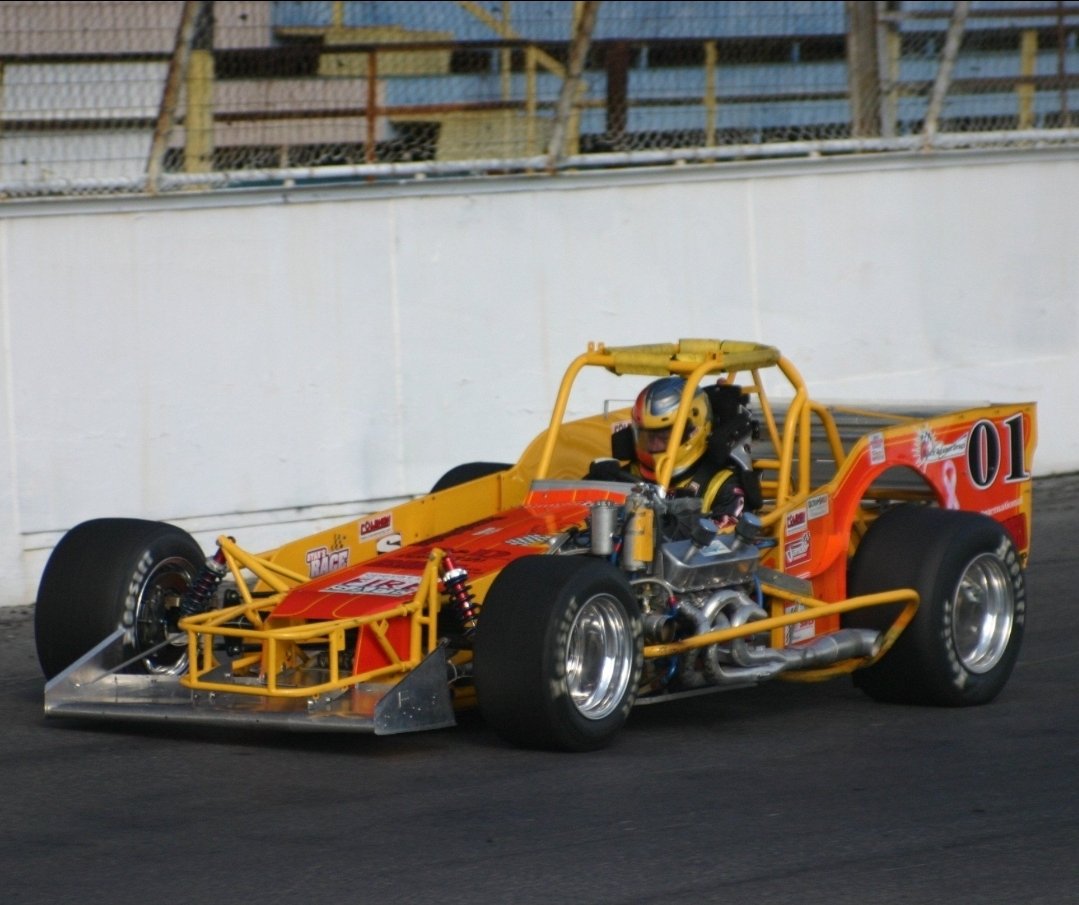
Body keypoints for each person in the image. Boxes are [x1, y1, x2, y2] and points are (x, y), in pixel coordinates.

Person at [590, 375, 762, 528]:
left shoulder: (723, 485)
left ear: (694, 430)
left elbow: (722, 546)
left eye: (664, 436)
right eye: (647, 436)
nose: (654, 444)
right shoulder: (621, 477)